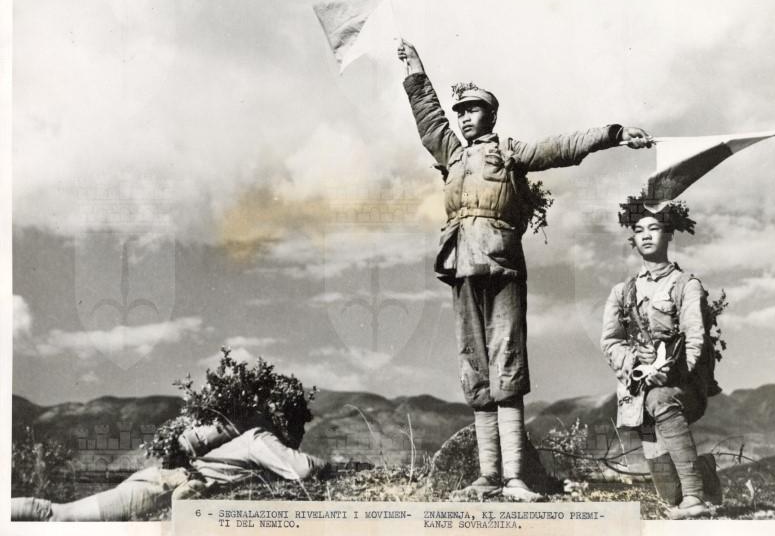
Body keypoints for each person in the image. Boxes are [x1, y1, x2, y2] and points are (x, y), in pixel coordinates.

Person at [397, 39, 652, 500]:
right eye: (461, 111)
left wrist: (614, 134)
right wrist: (415, 69)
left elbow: (561, 147)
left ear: (491, 116)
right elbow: (428, 117)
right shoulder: (451, 154)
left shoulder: (510, 152)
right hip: (460, 265)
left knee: (508, 362)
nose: (465, 117)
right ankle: (487, 476)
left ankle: (515, 478)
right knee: (474, 367)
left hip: (503, 267)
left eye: (474, 110)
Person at [600, 196, 722, 519]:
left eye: (654, 228)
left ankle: (694, 498)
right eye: (639, 230)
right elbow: (610, 342)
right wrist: (635, 364)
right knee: (668, 494)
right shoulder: (622, 292)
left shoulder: (686, 285)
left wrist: (670, 373)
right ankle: (703, 473)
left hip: (683, 385)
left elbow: (695, 339)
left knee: (660, 398)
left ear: (668, 234)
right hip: (639, 391)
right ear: (633, 240)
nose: (646, 235)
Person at [11, 420, 330, 521]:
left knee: (54, 514)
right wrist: (331, 467)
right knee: (53, 515)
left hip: (160, 482)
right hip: (162, 488)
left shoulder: (239, 440)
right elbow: (302, 470)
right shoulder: (259, 437)